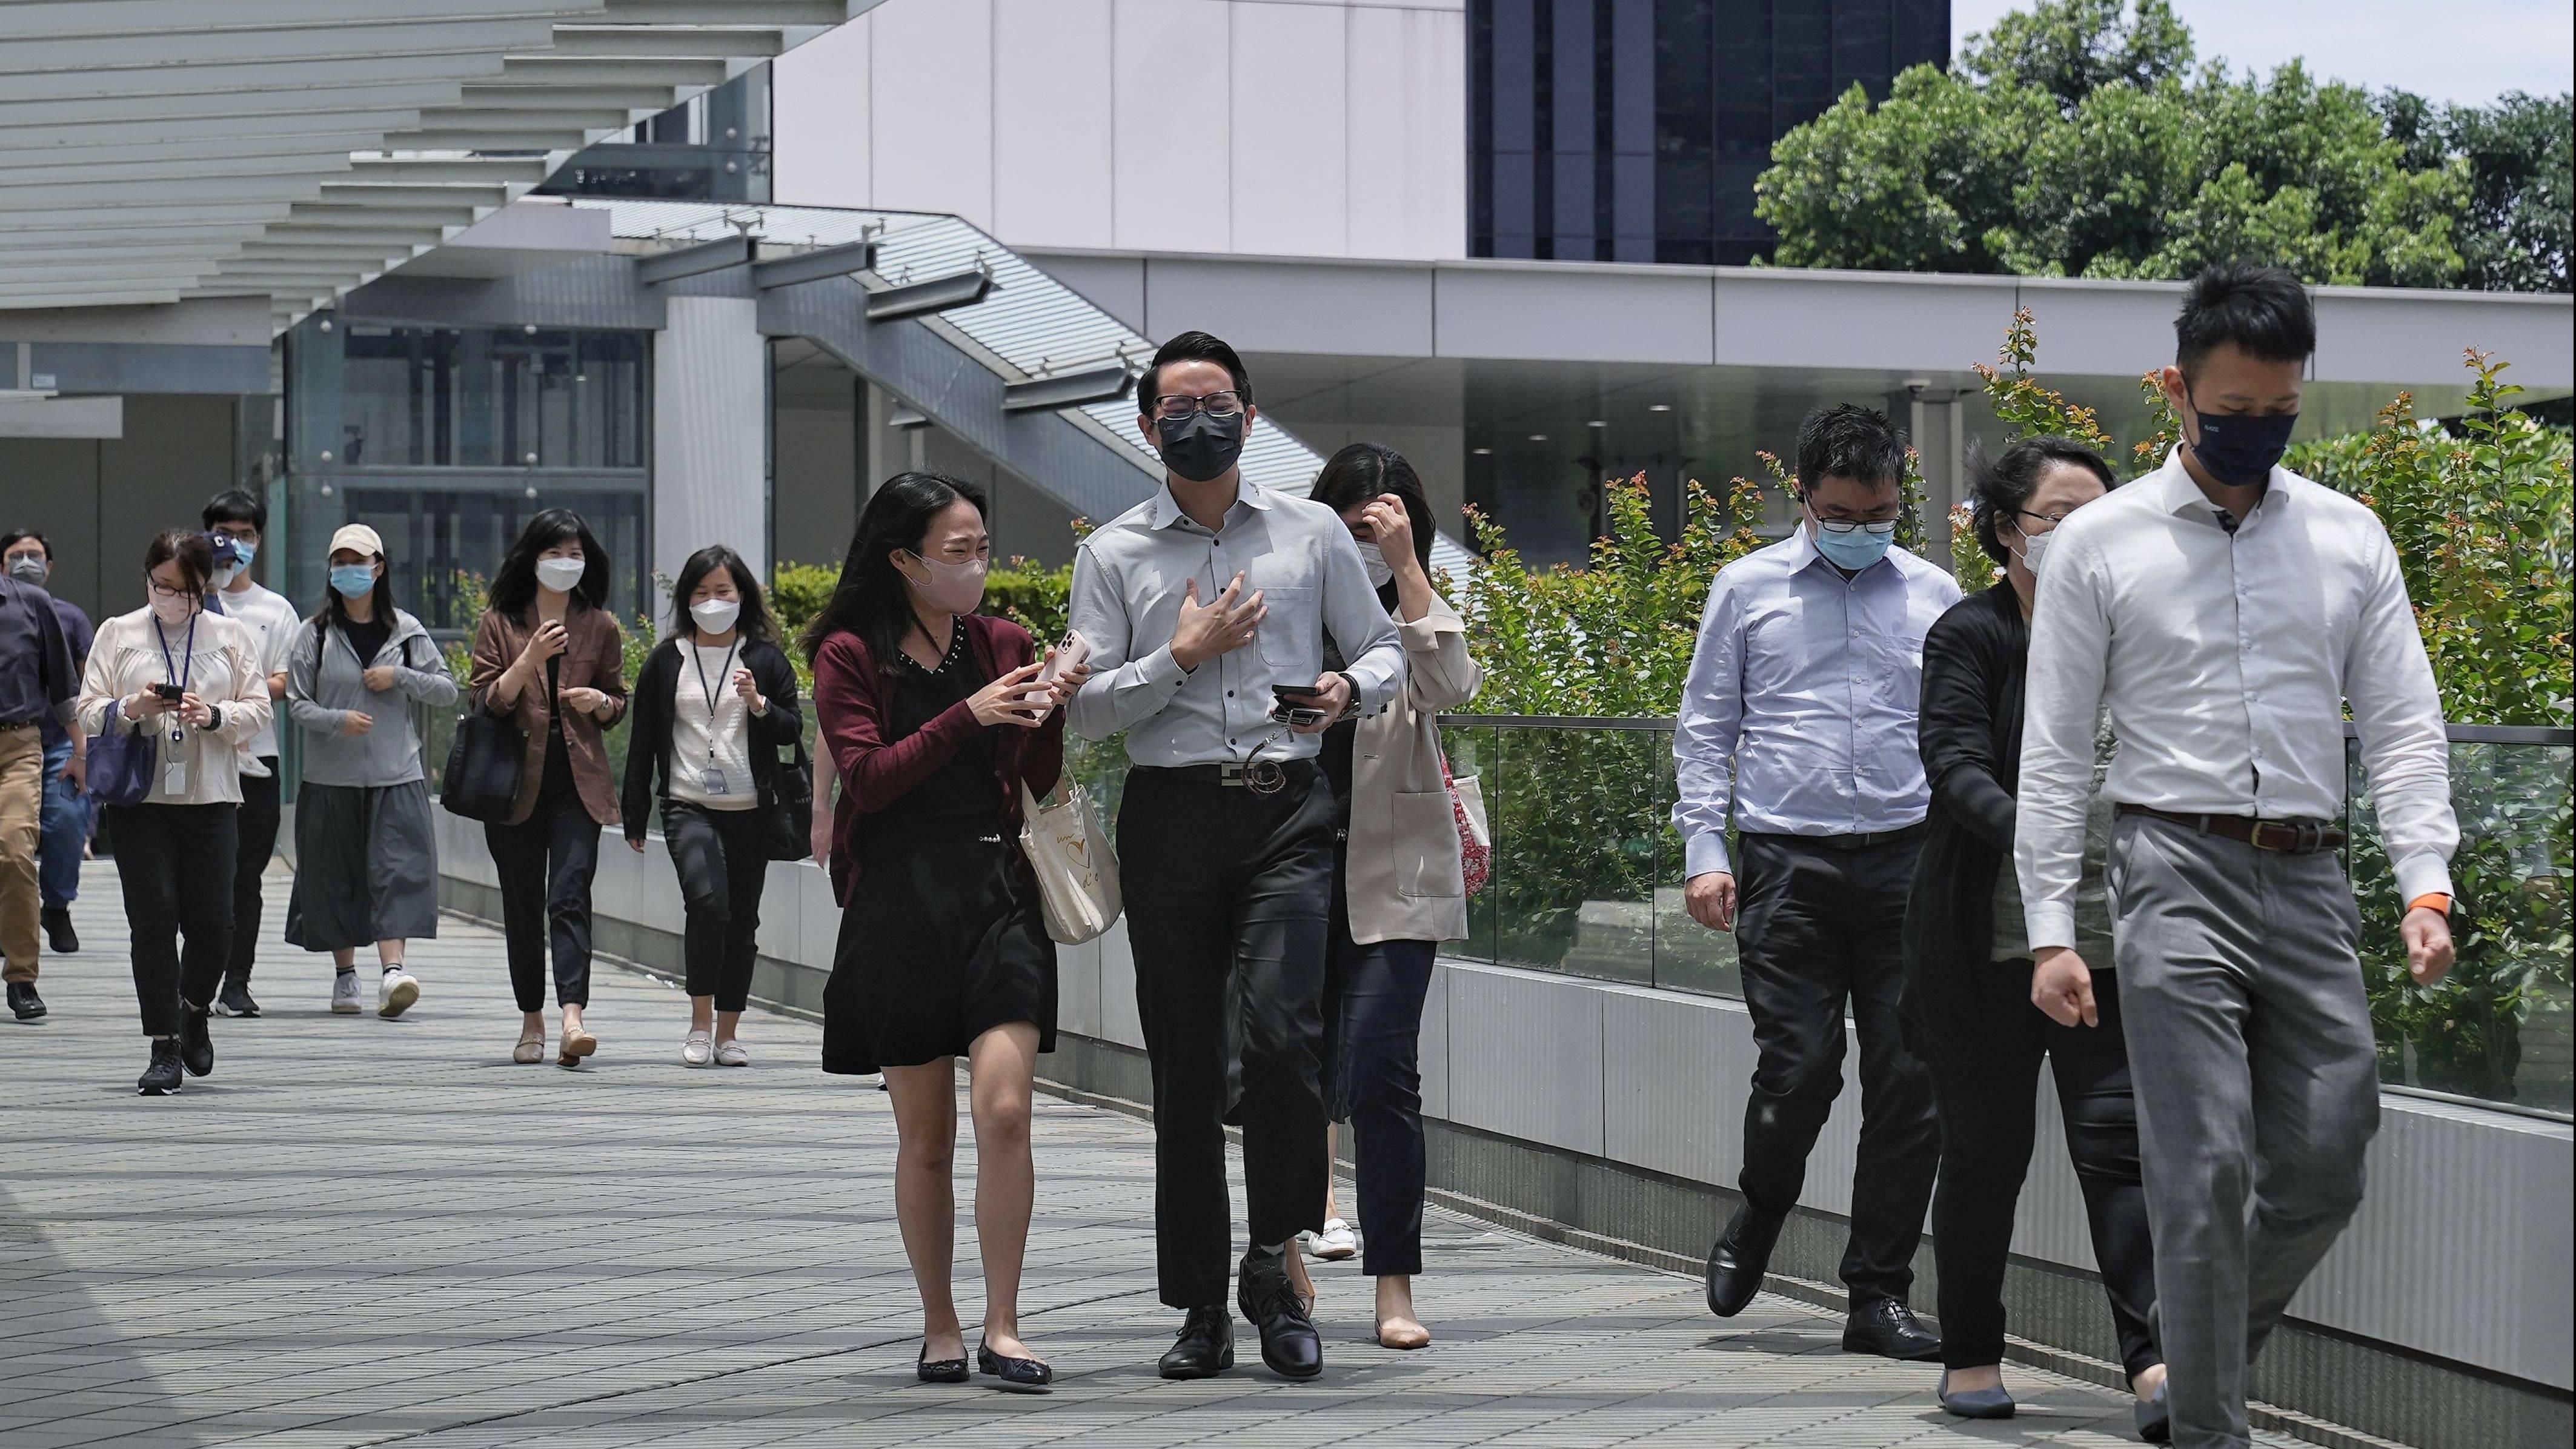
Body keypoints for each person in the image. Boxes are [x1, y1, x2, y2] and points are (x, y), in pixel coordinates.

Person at [2017, 263, 2457, 1449]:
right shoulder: (2096, 545)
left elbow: (2404, 719)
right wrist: (2050, 925)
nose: (2251, 435)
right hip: (2168, 869)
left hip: (2310, 876)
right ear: (2174, 390)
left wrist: (2425, 878)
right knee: (2199, 1168)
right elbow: (2054, 748)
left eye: (2276, 414)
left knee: (2328, 1146)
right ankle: (2213, 1428)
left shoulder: (2343, 536)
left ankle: (2196, 1360)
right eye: (2228, 414)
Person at [1066, 331, 1404, 1383]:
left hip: (1286, 811)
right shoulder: (1114, 551)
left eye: (1219, 401)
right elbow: (1083, 710)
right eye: (1179, 406)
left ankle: (1273, 1262)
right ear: (1147, 426)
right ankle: (1201, 1307)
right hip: (1170, 818)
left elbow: (1382, 643)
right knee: (1182, 1068)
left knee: (1281, 1042)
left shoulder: (1308, 534)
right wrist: (1183, 652)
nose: (1200, 419)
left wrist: (1351, 689)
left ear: (1250, 417)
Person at [1675, 403, 1959, 1359]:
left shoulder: (1932, 592)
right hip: (1786, 862)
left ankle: (1877, 1295)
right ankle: (1761, 1206)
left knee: (1911, 1078)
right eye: (1842, 513)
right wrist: (1705, 856)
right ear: (1803, 499)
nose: (1862, 528)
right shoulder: (1746, 589)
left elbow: (1955, 734)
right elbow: (1706, 730)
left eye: (1880, 511)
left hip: (1908, 859)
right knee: (1799, 1071)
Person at [1902, 438, 2166, 1436]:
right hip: (1984, 948)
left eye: (2098, 513)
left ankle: (2152, 1366)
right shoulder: (1971, 632)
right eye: (2057, 514)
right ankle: (1969, 1351)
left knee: (2121, 1150)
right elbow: (1951, 759)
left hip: (2110, 942)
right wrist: (2040, 830)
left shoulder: (2138, 625)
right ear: (2004, 527)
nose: (2079, 534)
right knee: (1983, 1155)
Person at [809, 472, 1086, 1389]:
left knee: (1005, 1111)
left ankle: (1005, 1322)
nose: (977, 566)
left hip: (997, 887)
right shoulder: (851, 654)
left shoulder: (1004, 641)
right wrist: (965, 715)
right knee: (925, 1137)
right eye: (957, 552)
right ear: (904, 559)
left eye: (982, 548)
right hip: (897, 901)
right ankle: (940, 1323)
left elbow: (1033, 775)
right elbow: (868, 776)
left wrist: (1049, 707)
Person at [1298, 443, 1483, 1351]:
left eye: (1388, 518)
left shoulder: (1416, 604)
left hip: (1394, 871)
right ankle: (1283, 1261)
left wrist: (1407, 566)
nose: (1369, 534)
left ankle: (1394, 1286)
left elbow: (1450, 684)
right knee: (1284, 1070)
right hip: (1286, 862)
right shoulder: (1290, 596)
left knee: (1382, 1073)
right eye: (1357, 520)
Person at [75, 529, 271, 1094]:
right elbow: (88, 709)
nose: (171, 598)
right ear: (147, 578)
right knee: (153, 921)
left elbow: (258, 708)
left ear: (203, 587)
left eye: (183, 590)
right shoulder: (118, 633)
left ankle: (193, 1007)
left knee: (215, 924)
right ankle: (163, 1044)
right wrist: (130, 707)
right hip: (140, 801)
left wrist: (214, 715)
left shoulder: (229, 635)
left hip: (211, 796)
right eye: (161, 586)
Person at [622, 544, 803, 1067]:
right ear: (686, 599)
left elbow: (793, 729)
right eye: (701, 592)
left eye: (722, 591)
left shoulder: (765, 659)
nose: (712, 601)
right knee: (708, 905)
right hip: (688, 804)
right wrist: (635, 814)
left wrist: (759, 704)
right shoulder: (666, 659)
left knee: (742, 919)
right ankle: (699, 1024)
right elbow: (642, 741)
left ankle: (728, 1032)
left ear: (741, 595)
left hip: (753, 808)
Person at [469, 509, 628, 1068]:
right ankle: (531, 1020)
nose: (566, 564)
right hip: (514, 782)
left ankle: (572, 1019)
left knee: (569, 894)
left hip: (577, 781)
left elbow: (617, 702)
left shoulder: (600, 624)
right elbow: (487, 701)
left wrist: (600, 703)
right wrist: (529, 658)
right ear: (532, 558)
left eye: (576, 554)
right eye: (555, 553)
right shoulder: (501, 622)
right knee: (521, 902)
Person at [284, 524, 454, 1019]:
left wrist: (398, 676)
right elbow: (296, 705)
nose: (349, 570)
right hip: (329, 780)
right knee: (335, 877)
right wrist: (339, 721)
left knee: (396, 872)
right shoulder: (312, 633)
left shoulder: (406, 630)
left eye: (359, 561)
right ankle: (345, 975)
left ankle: (393, 973)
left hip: (396, 774)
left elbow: (445, 689)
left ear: (379, 567)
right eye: (340, 561)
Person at [202, 490, 302, 1019]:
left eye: (247, 535)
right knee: (201, 875)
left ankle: (236, 981)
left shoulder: (274, 610)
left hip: (257, 761)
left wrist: (242, 692)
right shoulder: (189, 599)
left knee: (247, 875)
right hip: (197, 758)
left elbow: (286, 680)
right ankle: (197, 976)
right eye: (226, 533)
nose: (236, 545)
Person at [0, 532, 79, 1023]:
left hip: (18, 745)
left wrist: (84, 752)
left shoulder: (31, 602)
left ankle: (22, 975)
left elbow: (63, 685)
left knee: (14, 847)